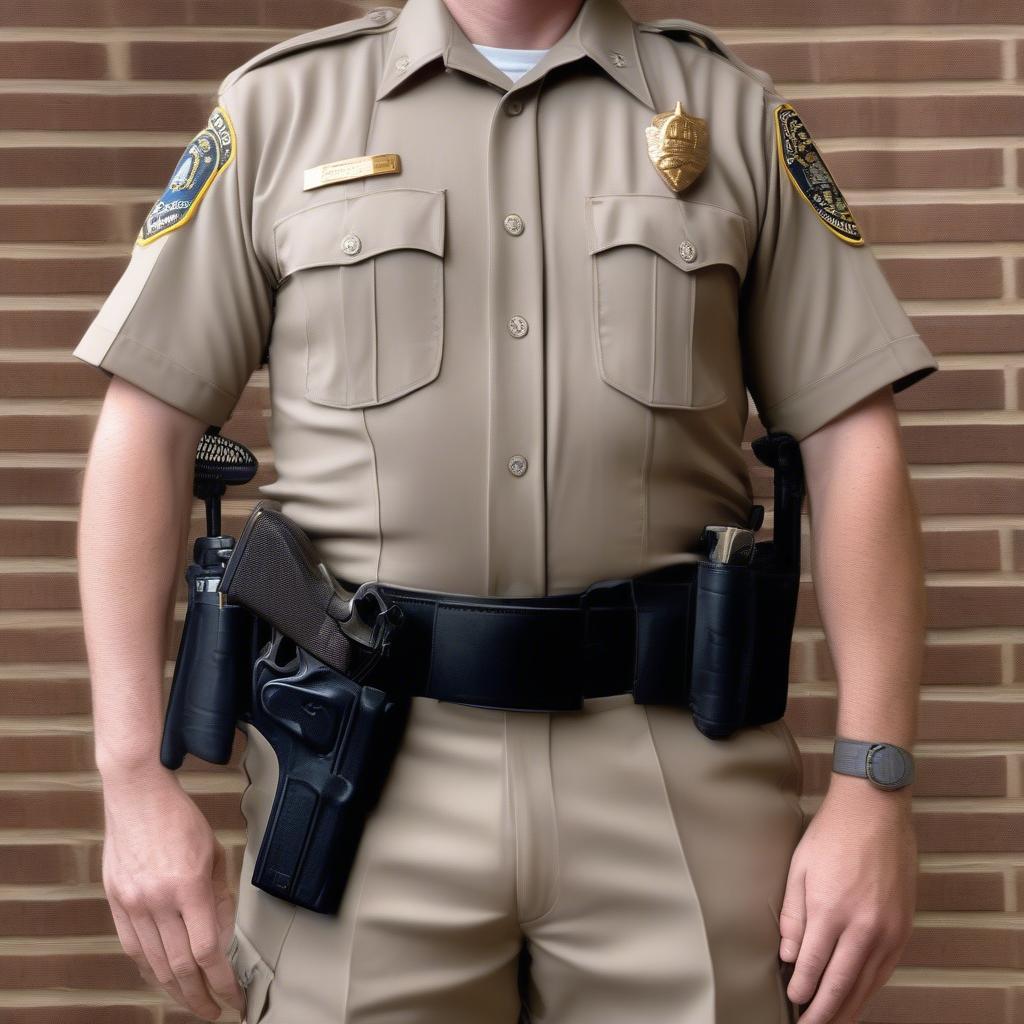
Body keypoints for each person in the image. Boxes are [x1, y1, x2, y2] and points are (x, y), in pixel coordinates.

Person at [73, 0, 936, 1021]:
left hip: (671, 777)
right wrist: (131, 779)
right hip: (363, 778)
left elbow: (853, 444)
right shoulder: (281, 111)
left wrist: (872, 786)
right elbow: (145, 433)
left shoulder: (730, 117)